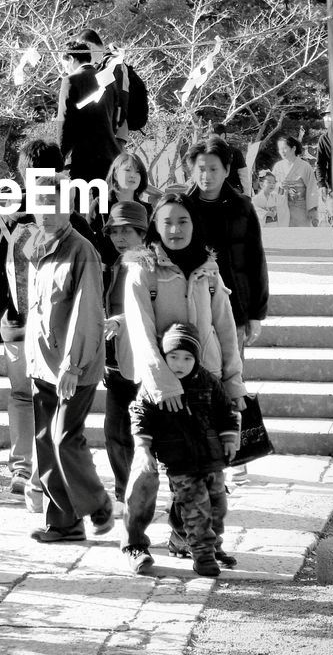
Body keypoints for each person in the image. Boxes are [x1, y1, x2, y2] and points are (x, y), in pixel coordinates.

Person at [119, 189, 246, 558]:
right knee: (146, 472)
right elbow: (140, 332)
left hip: (204, 387)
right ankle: (134, 543)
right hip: (160, 389)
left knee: (203, 475)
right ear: (155, 226)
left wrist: (232, 381)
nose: (175, 229)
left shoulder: (209, 269)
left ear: (195, 223)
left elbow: (225, 327)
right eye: (167, 222)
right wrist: (163, 382)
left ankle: (187, 536)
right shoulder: (142, 269)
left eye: (183, 221)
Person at [0, 139, 98, 506]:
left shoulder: (3, 219)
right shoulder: (68, 220)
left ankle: (21, 467)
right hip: (59, 330)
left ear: (22, 174)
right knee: (56, 400)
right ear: (60, 173)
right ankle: (52, 469)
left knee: (21, 396)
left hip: (15, 325)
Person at [24, 171, 115, 543]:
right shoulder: (35, 246)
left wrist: (72, 366)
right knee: (45, 441)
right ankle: (63, 523)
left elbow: (86, 311)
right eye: (39, 203)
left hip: (72, 365)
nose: (45, 212)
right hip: (41, 360)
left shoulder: (82, 250)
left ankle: (98, 504)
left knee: (64, 437)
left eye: (54, 204)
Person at [121, 321, 241, 577]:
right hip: (179, 460)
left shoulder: (207, 381)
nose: (180, 363)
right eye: (173, 357)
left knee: (218, 506)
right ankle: (203, 556)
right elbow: (140, 414)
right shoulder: (155, 384)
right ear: (164, 357)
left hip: (211, 457)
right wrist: (143, 447)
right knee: (196, 506)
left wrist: (229, 438)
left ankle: (192, 541)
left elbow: (225, 410)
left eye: (187, 358)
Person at [183, 136, 269, 356]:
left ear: (226, 169)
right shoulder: (180, 207)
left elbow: (255, 260)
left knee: (233, 377)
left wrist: (255, 314)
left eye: (213, 169)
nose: (206, 176)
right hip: (189, 308)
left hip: (234, 307)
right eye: (201, 169)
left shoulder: (242, 207)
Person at [101, 198, 149, 503]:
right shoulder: (116, 262)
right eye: (114, 232)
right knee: (114, 432)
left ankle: (138, 491)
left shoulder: (149, 264)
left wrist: (119, 321)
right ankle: (125, 492)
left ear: (142, 233)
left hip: (142, 362)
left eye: (126, 232)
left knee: (138, 434)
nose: (119, 238)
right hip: (116, 360)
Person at [55, 39, 121, 183]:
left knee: (81, 203)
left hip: (84, 155)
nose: (64, 68)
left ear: (71, 59)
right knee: (105, 202)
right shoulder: (108, 79)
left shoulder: (70, 80)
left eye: (64, 63)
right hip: (110, 152)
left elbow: (65, 120)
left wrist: (60, 155)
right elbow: (116, 117)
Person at [272, 134, 319, 227]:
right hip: (282, 207)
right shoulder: (278, 166)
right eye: (280, 149)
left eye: (284, 148)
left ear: (293, 148)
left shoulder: (305, 166)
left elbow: (312, 188)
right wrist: (279, 186)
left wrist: (312, 210)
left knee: (300, 236)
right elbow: (271, 186)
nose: (282, 152)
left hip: (300, 207)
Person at [210, 122, 251, 196]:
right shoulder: (209, 153)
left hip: (233, 192)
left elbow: (243, 174)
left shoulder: (235, 152)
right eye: (210, 138)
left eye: (214, 137)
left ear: (222, 136)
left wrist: (247, 195)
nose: (212, 141)